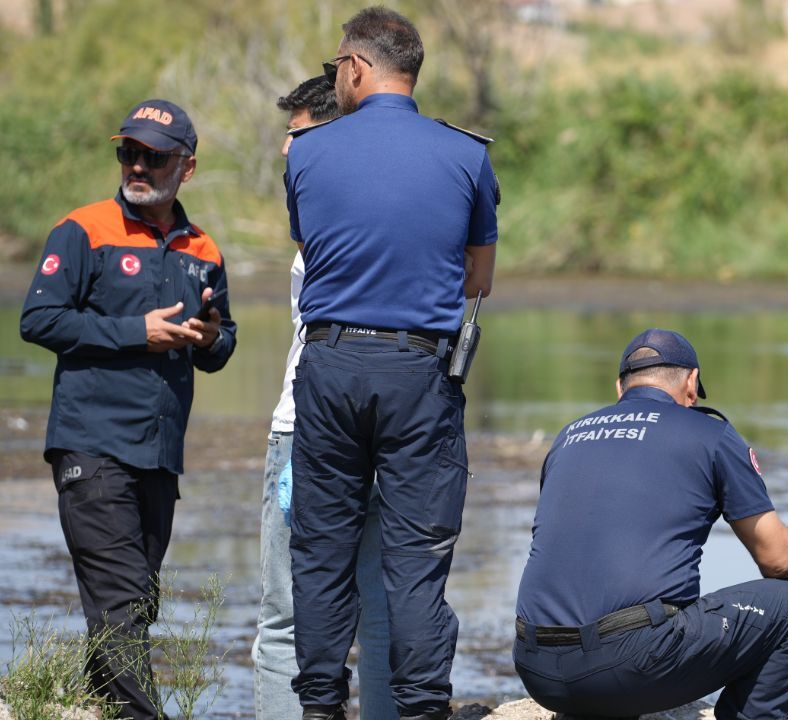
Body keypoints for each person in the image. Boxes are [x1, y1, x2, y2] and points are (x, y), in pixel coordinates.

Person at [284, 7, 499, 720]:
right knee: (416, 560)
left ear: (354, 67)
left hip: (331, 364)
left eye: (336, 69)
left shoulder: (307, 153)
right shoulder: (467, 156)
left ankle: (320, 708)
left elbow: (316, 251)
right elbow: (478, 278)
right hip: (419, 373)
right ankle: (423, 709)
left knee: (321, 551)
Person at [19, 99, 235, 719]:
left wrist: (210, 338)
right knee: (121, 603)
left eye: (153, 157)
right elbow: (39, 319)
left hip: (159, 455)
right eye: (128, 153)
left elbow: (222, 344)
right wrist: (135, 332)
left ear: (186, 167)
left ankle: (95, 709)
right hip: (90, 445)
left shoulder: (204, 249)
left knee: (132, 607)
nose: (137, 166)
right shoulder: (82, 229)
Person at [513, 328, 788, 720]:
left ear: (620, 387)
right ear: (691, 383)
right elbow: (779, 557)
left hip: (537, 669)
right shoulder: (710, 434)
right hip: (624, 666)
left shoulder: (568, 435)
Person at [253, 75, 396, 720]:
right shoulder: (389, 207)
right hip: (384, 423)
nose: (287, 149)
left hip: (308, 429)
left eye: (299, 135)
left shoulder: (326, 209)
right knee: (380, 613)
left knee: (291, 615)